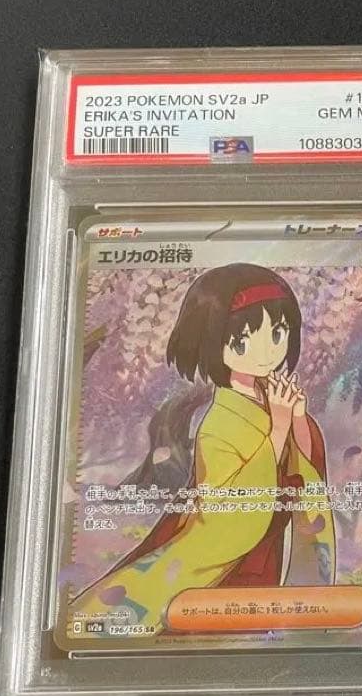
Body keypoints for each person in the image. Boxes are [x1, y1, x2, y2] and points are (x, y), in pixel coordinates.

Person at [71, 263, 336, 634]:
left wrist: (297, 419)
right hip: (228, 564)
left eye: (278, 333)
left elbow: (306, 468)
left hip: (268, 547)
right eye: (242, 342)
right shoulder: (218, 424)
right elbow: (228, 512)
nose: (266, 352)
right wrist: (278, 429)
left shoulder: (272, 398)